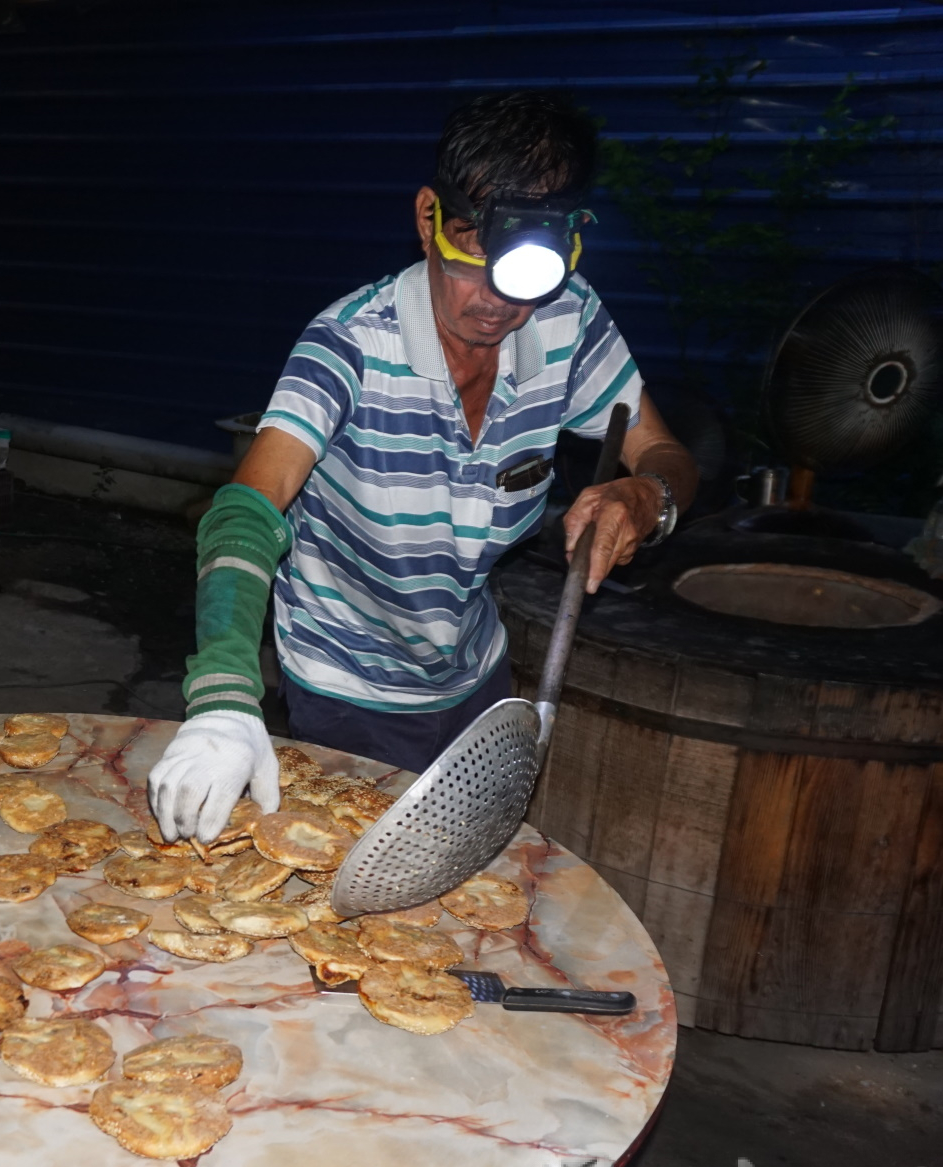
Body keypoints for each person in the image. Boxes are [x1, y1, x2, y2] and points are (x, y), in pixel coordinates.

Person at [149, 91, 699, 843]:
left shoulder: (568, 318)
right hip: (345, 684)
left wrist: (645, 495)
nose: (496, 301)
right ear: (428, 219)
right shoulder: (348, 345)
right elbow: (248, 507)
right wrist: (222, 696)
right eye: (472, 253)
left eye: (522, 276)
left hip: (475, 677)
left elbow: (664, 452)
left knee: (472, 871)